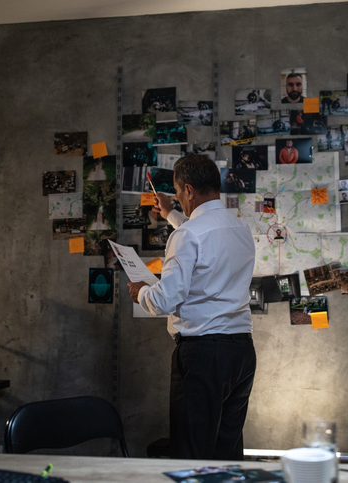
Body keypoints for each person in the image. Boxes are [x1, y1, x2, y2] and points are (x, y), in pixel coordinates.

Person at [127, 154, 256, 461]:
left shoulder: (186, 235)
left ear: (188, 189)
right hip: (241, 352)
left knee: (192, 452)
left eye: (177, 194)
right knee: (227, 449)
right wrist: (172, 214)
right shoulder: (240, 228)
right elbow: (203, 236)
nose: (177, 200)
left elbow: (165, 299)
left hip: (203, 353)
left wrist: (141, 291)